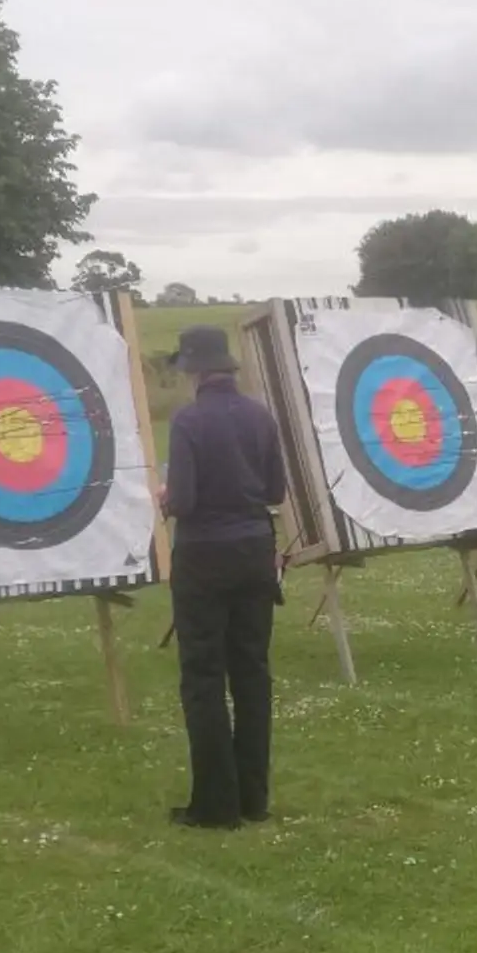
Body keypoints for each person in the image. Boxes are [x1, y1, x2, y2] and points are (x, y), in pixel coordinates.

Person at [162, 325, 288, 827]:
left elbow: (185, 501)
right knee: (252, 674)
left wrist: (166, 498)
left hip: (203, 558)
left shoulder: (188, 421)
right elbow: (275, 490)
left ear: (193, 369)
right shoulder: (261, 417)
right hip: (256, 552)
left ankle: (216, 806)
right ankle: (253, 800)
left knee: (204, 679)